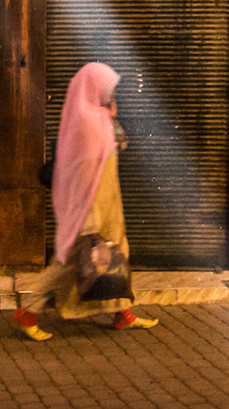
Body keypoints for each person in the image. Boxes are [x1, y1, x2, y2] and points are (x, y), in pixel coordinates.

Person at [13, 61, 158, 341]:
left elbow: (120, 146)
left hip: (109, 205)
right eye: (107, 87)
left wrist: (112, 116)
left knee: (118, 255)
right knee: (68, 264)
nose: (111, 92)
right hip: (90, 207)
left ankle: (122, 314)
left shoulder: (100, 116)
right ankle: (27, 312)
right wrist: (89, 219)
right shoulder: (86, 122)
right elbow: (82, 174)